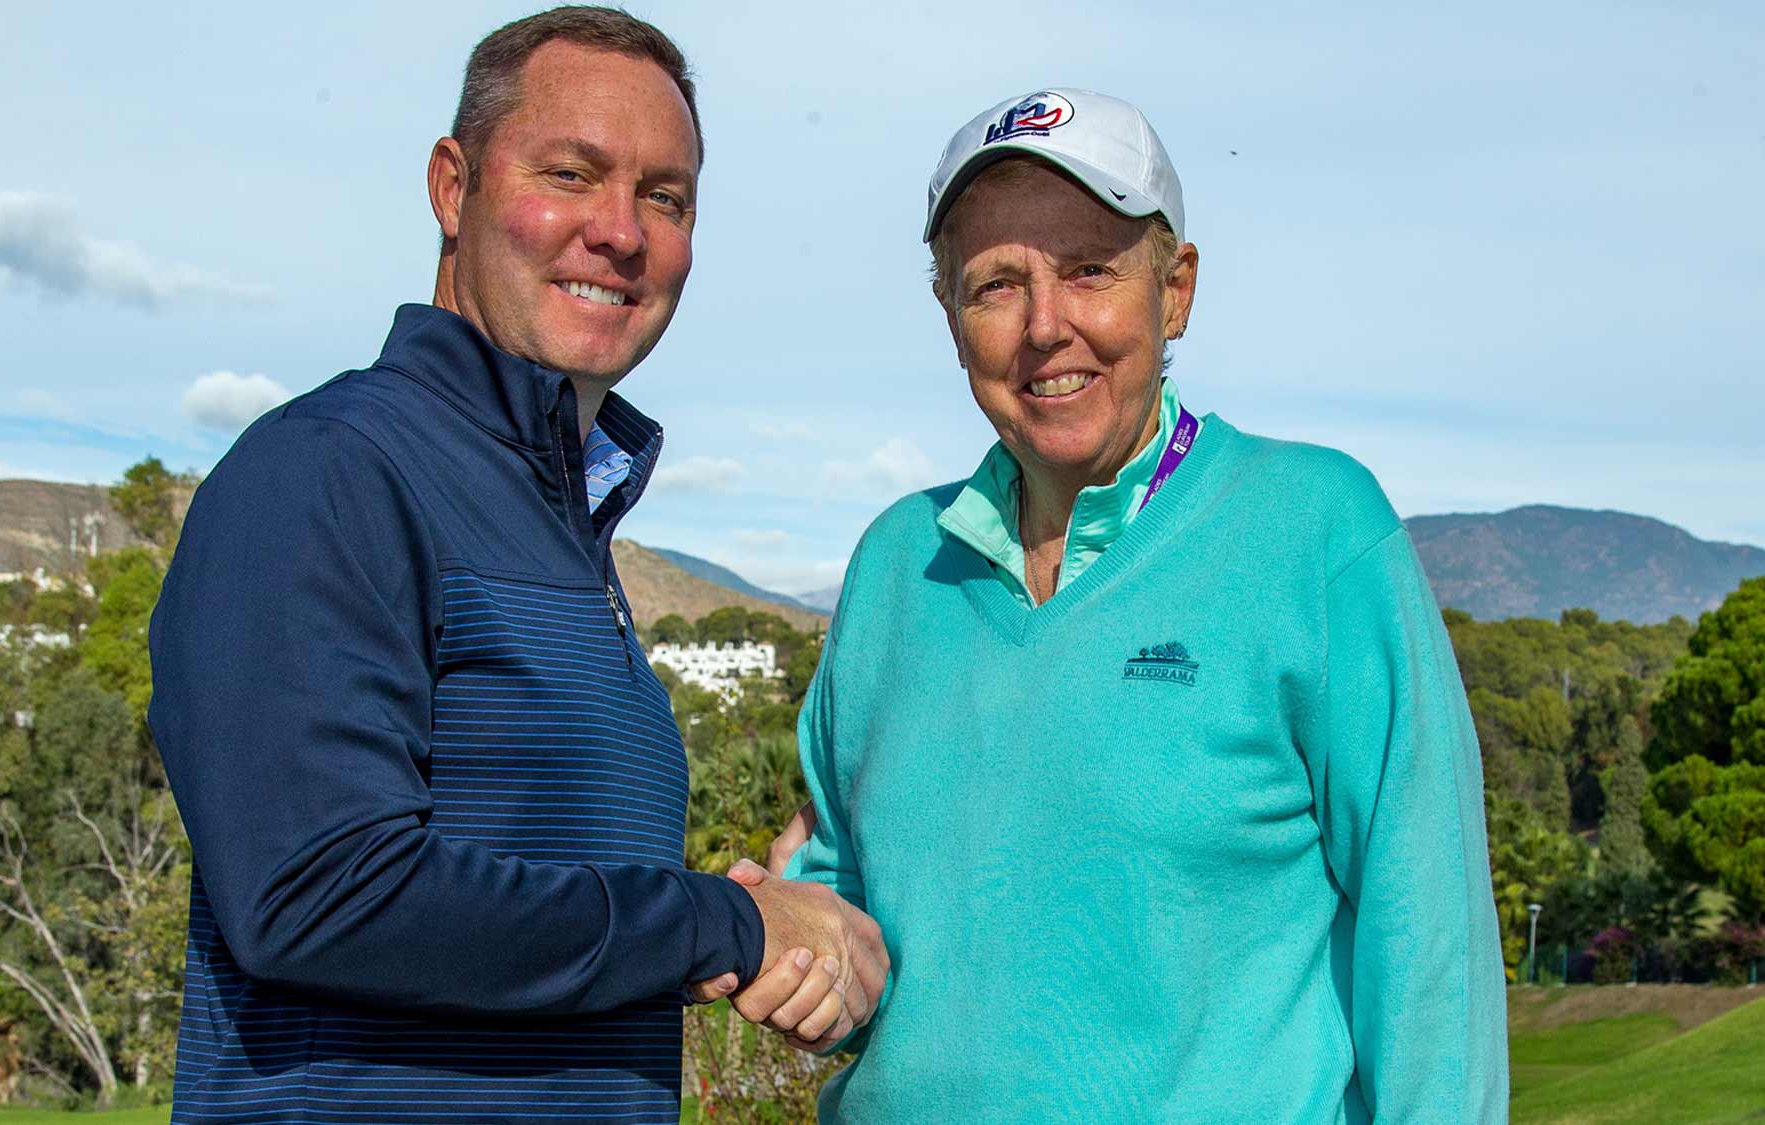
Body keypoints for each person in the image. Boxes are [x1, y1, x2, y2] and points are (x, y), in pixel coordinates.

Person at [147, 9, 885, 1124]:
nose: (620, 232)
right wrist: (719, 925)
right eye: (571, 173)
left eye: (665, 198)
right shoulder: (331, 470)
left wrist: (752, 917)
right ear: (454, 188)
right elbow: (315, 894)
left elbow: (544, 891)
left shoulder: (561, 528)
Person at [748, 88, 1508, 1120]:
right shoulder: (895, 565)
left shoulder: (1316, 530)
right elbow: (858, 923)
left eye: (1089, 271)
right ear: (948, 315)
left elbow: (1429, 948)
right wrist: (796, 943)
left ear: (1175, 290)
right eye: (995, 285)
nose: (1044, 326)